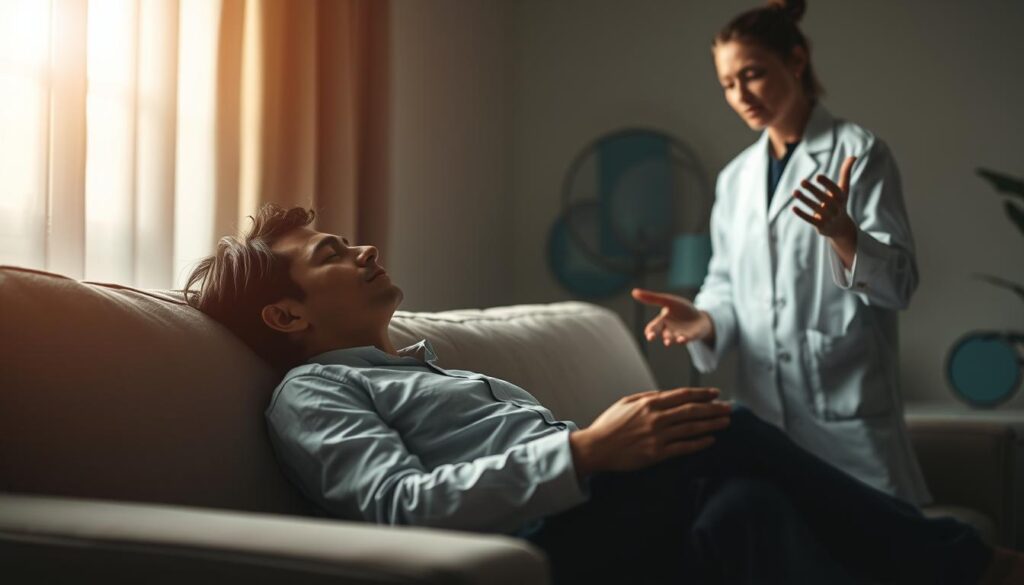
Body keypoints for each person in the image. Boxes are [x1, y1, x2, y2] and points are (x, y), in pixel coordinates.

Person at [185, 203, 1021, 585]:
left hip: (587, 521)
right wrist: (585, 448)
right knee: (710, 423)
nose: (363, 248)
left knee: (747, 510)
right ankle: (968, 563)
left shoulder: (418, 364)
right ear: (287, 309)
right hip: (531, 545)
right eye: (332, 253)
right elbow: (399, 506)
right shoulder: (311, 391)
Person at [632, 0, 929, 505]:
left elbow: (898, 285)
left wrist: (843, 233)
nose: (741, 95)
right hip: (765, 417)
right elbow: (726, 283)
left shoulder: (859, 152)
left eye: (753, 75)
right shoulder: (736, 179)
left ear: (796, 62)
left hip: (847, 417)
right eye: (728, 84)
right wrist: (704, 321)